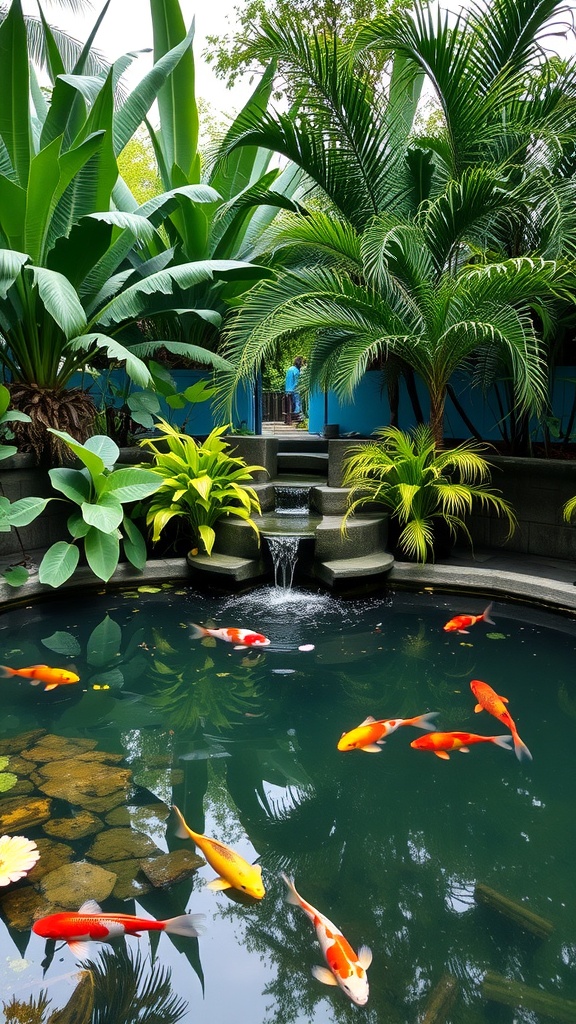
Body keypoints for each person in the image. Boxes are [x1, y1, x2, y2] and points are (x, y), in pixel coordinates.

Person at [285, 356, 304, 420]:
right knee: (298, 403)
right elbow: (297, 381)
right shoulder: (296, 371)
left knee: (291, 404)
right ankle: (298, 416)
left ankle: (291, 416)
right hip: (295, 390)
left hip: (288, 389)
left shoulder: (290, 369)